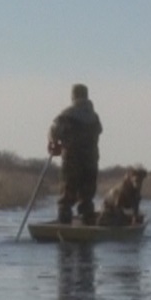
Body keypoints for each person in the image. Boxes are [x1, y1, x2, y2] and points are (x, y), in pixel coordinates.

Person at [47, 83, 103, 224]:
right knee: (87, 194)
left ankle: (64, 219)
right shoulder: (95, 117)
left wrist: (53, 142)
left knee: (68, 190)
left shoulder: (67, 114)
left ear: (73, 96)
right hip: (91, 160)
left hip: (72, 160)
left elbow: (54, 131)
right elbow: (99, 131)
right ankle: (87, 218)